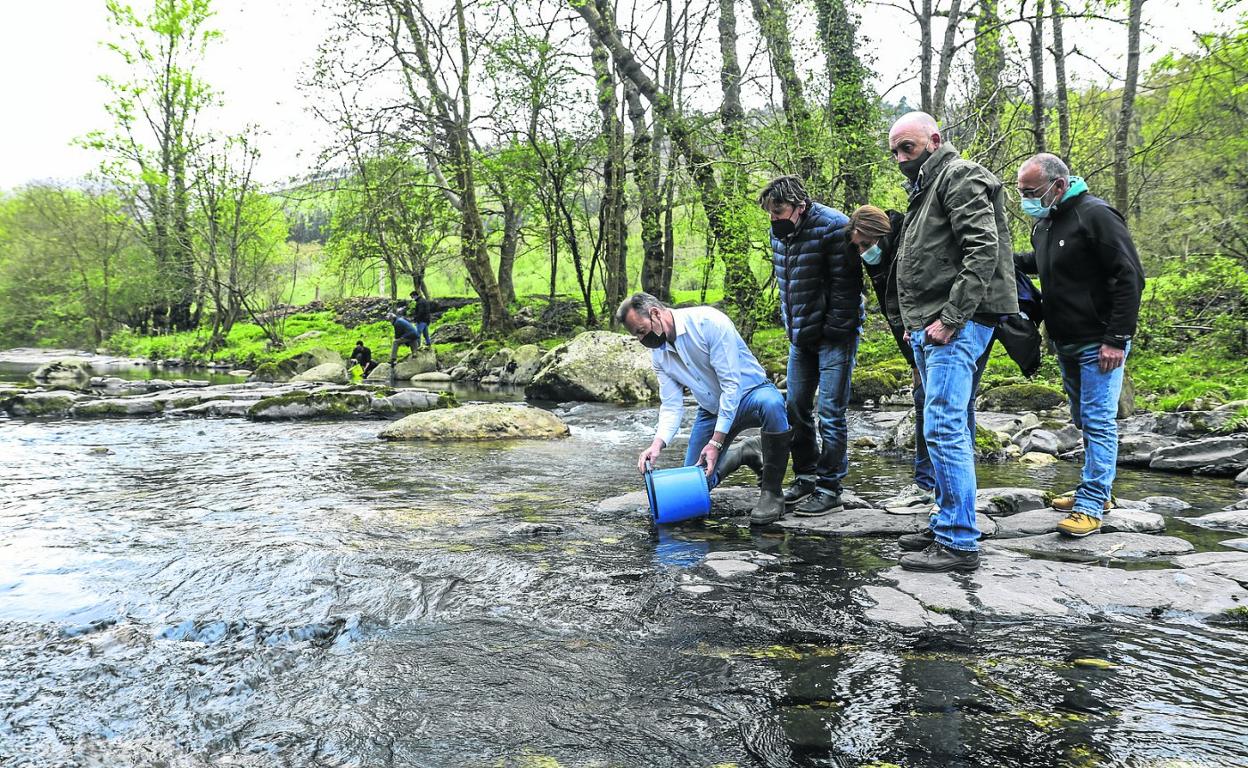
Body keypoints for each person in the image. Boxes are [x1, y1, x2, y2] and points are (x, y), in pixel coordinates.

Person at [886, 112, 1019, 573]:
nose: (902, 157)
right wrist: (913, 321)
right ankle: (948, 519)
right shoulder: (925, 189)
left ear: (934, 140)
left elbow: (983, 250)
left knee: (942, 426)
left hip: (957, 323)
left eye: (908, 147)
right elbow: (923, 261)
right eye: (896, 151)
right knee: (949, 422)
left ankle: (959, 541)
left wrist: (950, 317)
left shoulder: (958, 175)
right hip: (931, 323)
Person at [1015, 153, 1145, 537]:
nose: (1025, 197)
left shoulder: (1097, 215)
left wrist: (1117, 338)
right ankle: (1097, 490)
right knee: (1083, 420)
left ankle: (1090, 506)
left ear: (1058, 185)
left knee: (1100, 422)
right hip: (1065, 341)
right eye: (1021, 191)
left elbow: (1130, 276)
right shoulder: (1045, 223)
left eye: (1031, 191)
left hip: (1100, 341)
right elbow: (1044, 262)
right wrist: (1002, 258)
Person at [618, 292, 792, 525]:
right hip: (711, 410)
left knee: (773, 404)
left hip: (751, 395)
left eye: (641, 331)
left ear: (655, 313)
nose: (641, 340)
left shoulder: (709, 323)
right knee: (691, 490)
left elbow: (731, 386)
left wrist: (716, 443)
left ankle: (772, 493)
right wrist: (657, 444)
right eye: (636, 335)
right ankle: (744, 453)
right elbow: (671, 404)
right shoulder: (658, 355)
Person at [759, 176, 862, 518]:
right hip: (799, 336)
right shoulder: (780, 234)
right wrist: (792, 325)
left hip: (835, 337)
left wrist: (833, 331)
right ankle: (806, 475)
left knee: (831, 414)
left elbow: (847, 289)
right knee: (795, 408)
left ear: (800, 207)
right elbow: (787, 285)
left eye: (780, 211)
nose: (774, 219)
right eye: (770, 214)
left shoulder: (834, 227)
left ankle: (830, 488)